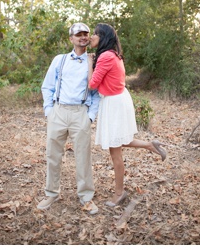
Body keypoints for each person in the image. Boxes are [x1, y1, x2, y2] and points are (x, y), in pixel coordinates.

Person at [87, 23, 167, 207]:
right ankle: (149, 145)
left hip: (114, 103)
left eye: (94, 34)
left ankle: (119, 193)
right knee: (118, 141)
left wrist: (88, 64)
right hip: (117, 99)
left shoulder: (106, 56)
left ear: (103, 37)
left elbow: (92, 84)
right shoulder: (114, 54)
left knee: (115, 151)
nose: (91, 37)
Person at [39, 23, 101, 215]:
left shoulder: (94, 61)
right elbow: (47, 86)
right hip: (59, 111)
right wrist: (49, 110)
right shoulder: (60, 60)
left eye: (86, 34)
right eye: (78, 34)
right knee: (53, 155)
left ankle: (86, 197)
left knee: (83, 156)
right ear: (71, 39)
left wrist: (90, 116)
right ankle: (51, 193)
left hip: (80, 112)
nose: (83, 37)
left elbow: (97, 92)